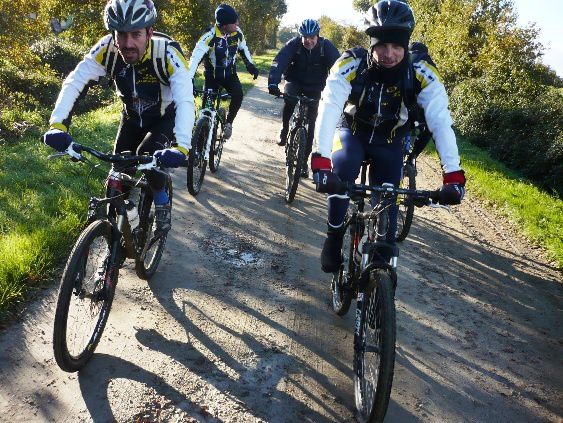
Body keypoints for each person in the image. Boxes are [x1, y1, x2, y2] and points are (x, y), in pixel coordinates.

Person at [310, 0, 466, 273]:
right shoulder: (351, 63)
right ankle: (333, 237)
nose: (389, 53)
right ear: (371, 44)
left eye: (397, 46)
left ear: (406, 45)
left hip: (390, 141)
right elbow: (329, 105)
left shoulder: (421, 72)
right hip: (352, 132)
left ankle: (378, 292)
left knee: (387, 211)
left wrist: (452, 175)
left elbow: (441, 121)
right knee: (343, 171)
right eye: (382, 45)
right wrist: (321, 161)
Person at [43, 0, 194, 237]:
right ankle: (118, 239)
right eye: (121, 35)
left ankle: (162, 200)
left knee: (150, 157)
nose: (128, 43)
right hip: (132, 118)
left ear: (149, 33)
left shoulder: (167, 53)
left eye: (136, 34)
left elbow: (185, 100)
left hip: (165, 119)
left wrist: (182, 146)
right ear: (113, 35)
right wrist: (57, 125)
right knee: (117, 178)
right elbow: (75, 82)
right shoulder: (107, 50)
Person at [268, 18, 340, 177]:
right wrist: (273, 83)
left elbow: (339, 69)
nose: (308, 41)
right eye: (305, 37)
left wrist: (339, 94)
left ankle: (303, 163)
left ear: (317, 35)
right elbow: (279, 61)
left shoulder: (326, 47)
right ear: (300, 36)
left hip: (316, 87)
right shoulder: (294, 44)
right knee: (290, 100)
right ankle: (285, 127)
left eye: (312, 37)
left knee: (312, 124)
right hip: (295, 82)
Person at [187, 4, 259, 140]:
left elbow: (244, 49)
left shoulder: (238, 33)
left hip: (230, 76)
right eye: (234, 22)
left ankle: (228, 123)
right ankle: (200, 144)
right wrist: (189, 78)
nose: (237, 24)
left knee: (238, 95)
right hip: (212, 78)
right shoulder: (209, 36)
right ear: (224, 25)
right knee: (206, 112)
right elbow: (195, 59)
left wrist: (250, 65)